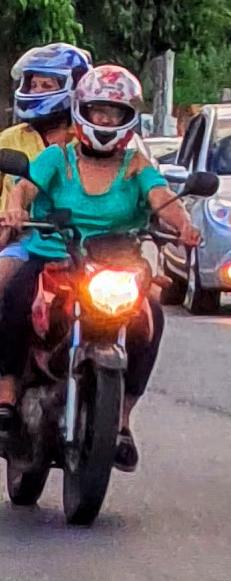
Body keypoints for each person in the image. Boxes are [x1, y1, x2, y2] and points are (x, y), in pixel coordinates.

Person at [0, 65, 193, 471]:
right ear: (82, 110)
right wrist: (17, 208)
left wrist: (185, 226)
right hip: (55, 254)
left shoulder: (137, 166)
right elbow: (26, 187)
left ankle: (121, 421)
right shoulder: (58, 157)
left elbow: (162, 199)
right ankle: (7, 395)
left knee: (150, 317)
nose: (105, 121)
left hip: (116, 263)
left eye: (115, 113)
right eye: (99, 111)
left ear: (128, 119)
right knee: (16, 294)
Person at [0, 46, 90, 182]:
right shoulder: (9, 139)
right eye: (33, 85)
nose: (36, 92)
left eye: (46, 85)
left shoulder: (86, 142)